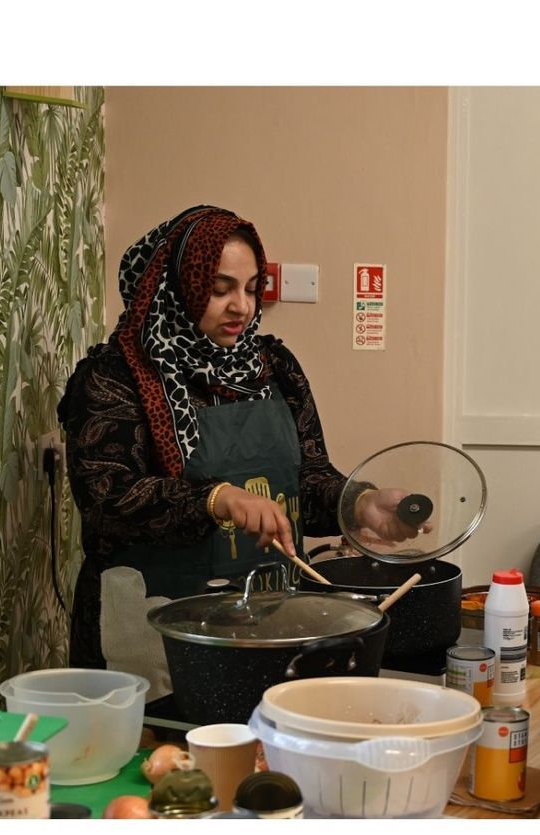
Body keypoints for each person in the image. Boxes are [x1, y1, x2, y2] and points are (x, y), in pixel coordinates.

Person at [58, 205, 412, 670]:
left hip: (270, 621)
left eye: (250, 288)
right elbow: (108, 498)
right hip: (152, 628)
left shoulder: (274, 368)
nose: (241, 306)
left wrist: (357, 503)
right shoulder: (115, 377)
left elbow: (306, 478)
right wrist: (217, 498)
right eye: (219, 288)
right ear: (174, 286)